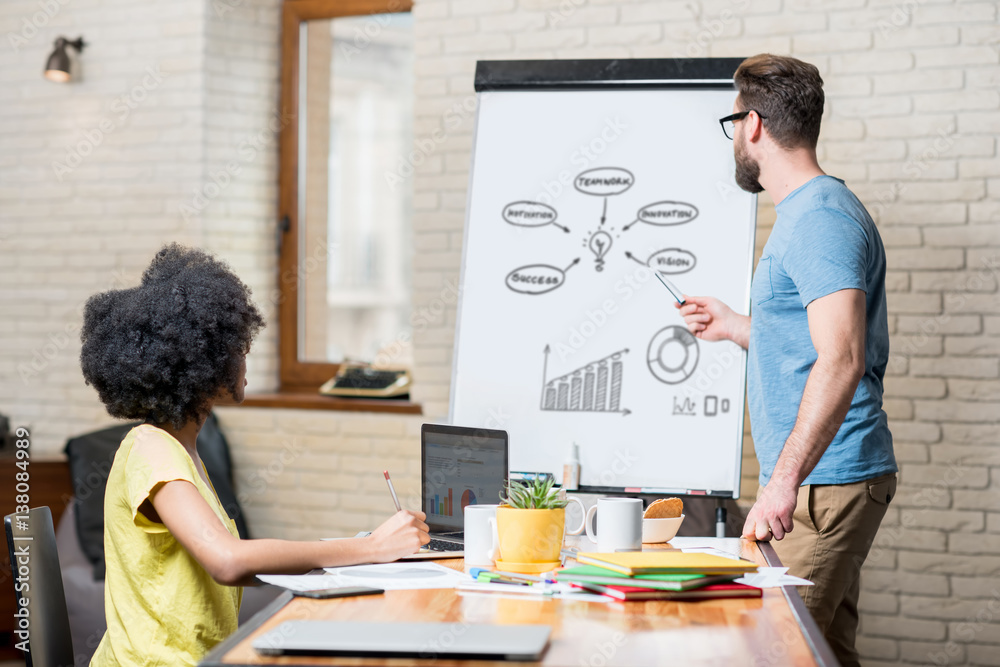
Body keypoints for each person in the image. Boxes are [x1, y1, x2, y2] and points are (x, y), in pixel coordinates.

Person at [80, 244, 430, 666]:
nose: (244, 355)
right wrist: (369, 548)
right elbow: (228, 560)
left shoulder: (182, 450)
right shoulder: (151, 448)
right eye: (234, 345)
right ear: (198, 360)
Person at [676, 54, 897, 667]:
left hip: (827, 482)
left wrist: (782, 482)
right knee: (826, 652)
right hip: (821, 479)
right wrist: (737, 326)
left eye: (733, 125)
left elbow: (843, 357)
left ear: (751, 125)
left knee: (767, 651)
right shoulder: (807, 214)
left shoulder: (820, 219)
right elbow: (811, 343)